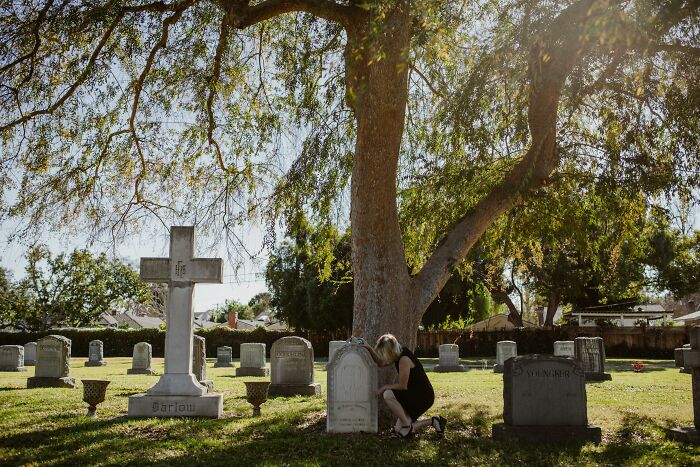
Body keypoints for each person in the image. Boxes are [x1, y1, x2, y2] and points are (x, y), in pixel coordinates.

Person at [362, 334, 446, 438]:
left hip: (422, 396)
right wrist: (368, 347)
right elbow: (381, 363)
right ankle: (434, 421)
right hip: (412, 394)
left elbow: (403, 386)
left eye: (384, 353)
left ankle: (407, 426)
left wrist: (384, 387)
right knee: (398, 429)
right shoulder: (397, 354)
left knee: (387, 394)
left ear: (390, 351)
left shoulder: (404, 359)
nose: (383, 356)